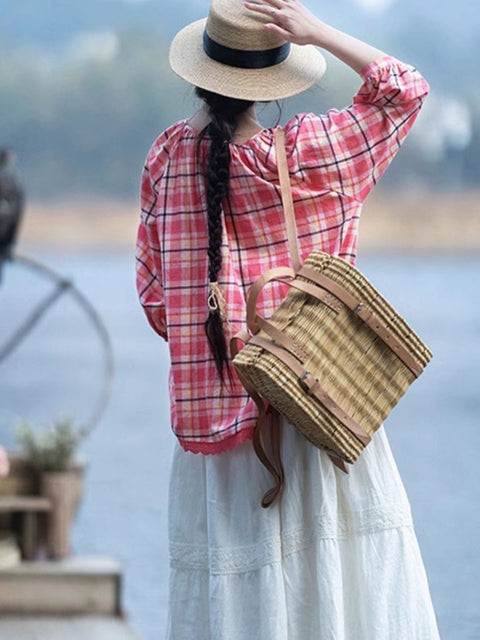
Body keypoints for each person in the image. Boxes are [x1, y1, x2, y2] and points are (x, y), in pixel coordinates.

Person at [135, 0, 441, 637]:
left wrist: (217, 320)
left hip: (216, 432)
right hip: (321, 408)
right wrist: (317, 31)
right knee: (334, 595)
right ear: (273, 79)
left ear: (201, 72)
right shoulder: (313, 153)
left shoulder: (165, 161)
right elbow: (405, 90)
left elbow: (157, 302)